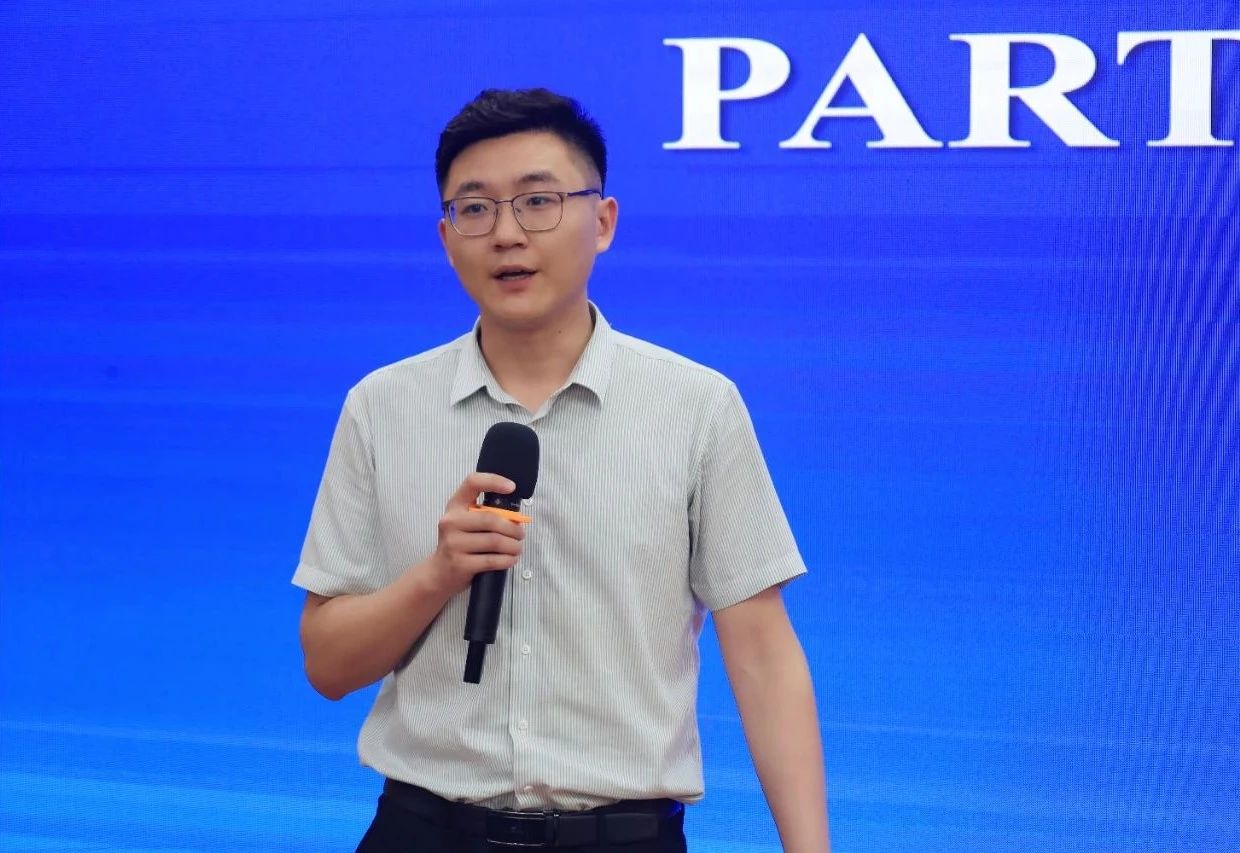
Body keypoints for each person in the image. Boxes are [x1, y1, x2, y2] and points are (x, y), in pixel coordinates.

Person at [293, 88, 830, 853]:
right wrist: (437, 574)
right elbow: (327, 664)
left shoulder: (696, 406)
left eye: (538, 201)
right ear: (446, 236)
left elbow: (764, 654)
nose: (506, 233)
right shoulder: (381, 407)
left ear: (603, 221)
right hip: (423, 829)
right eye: (475, 208)